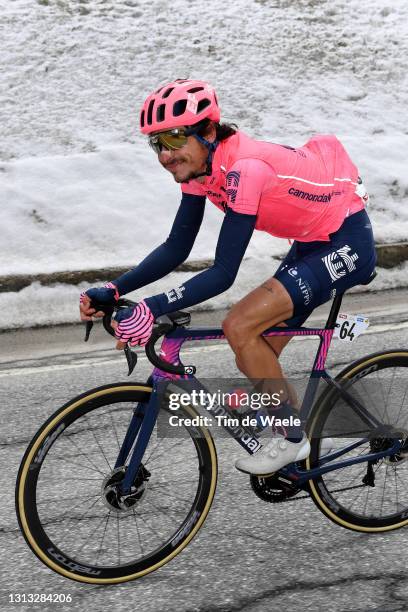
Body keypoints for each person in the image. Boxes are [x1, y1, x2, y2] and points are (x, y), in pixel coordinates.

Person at [80, 78, 376, 475]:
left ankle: (293, 441)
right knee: (254, 354)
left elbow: (223, 273)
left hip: (346, 240)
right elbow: (176, 247)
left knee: (239, 325)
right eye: (157, 144)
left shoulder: (245, 170)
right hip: (311, 242)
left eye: (173, 139)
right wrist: (116, 289)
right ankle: (290, 441)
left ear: (207, 131)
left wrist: (150, 308)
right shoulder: (201, 170)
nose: (165, 155)